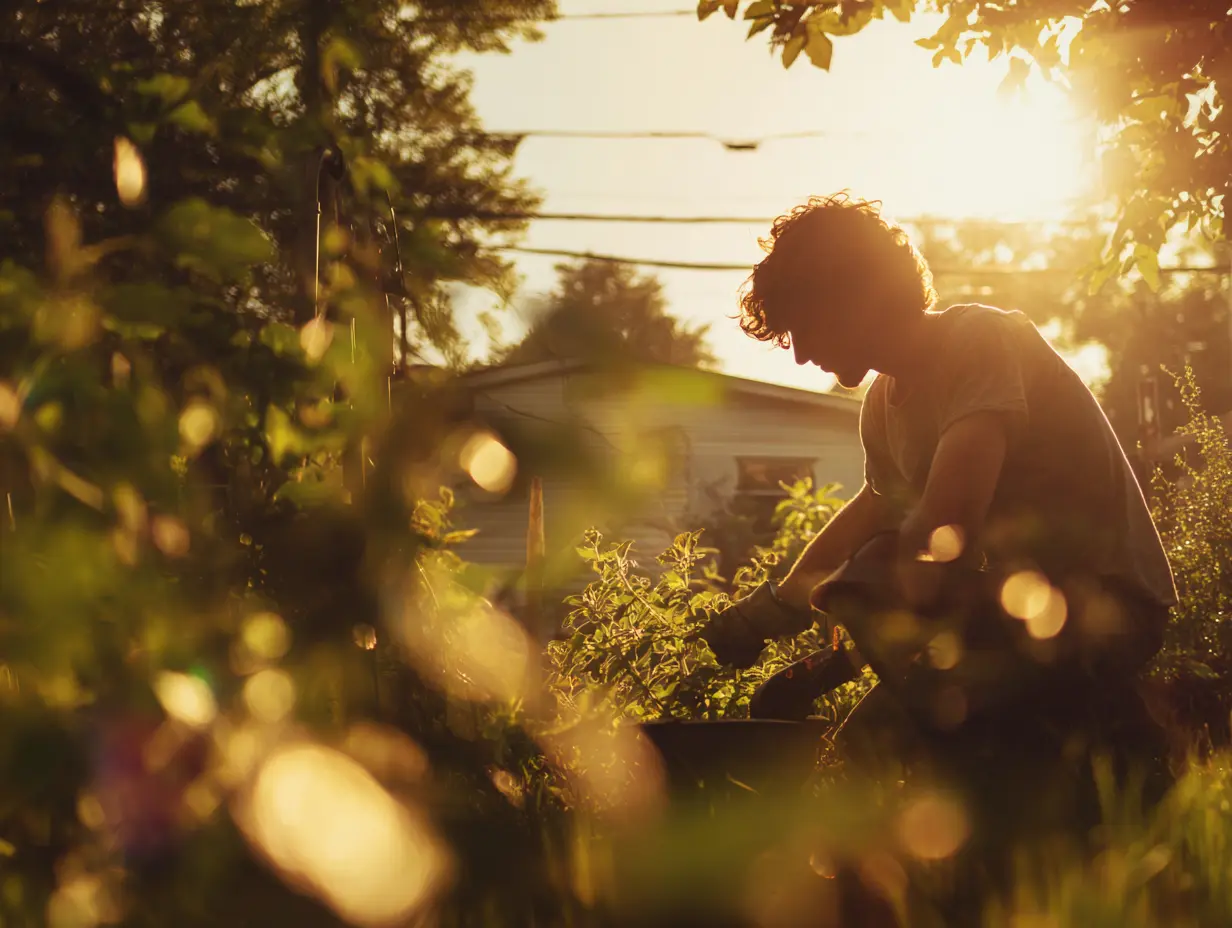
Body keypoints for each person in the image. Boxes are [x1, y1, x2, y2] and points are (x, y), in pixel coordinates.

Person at [700, 194, 1177, 902]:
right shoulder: (882, 403)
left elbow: (945, 525)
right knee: (878, 738)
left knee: (895, 730)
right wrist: (769, 612)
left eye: (805, 326)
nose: (799, 352)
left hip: (1109, 602)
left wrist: (848, 637)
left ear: (856, 296)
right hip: (1018, 612)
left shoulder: (977, 341)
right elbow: (873, 514)